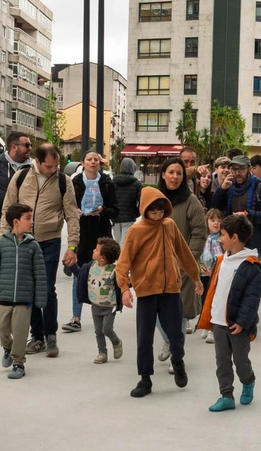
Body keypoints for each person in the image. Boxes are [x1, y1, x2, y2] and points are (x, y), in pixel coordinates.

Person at [118, 188, 202, 398]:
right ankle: (145, 379)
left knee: (176, 332)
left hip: (171, 290)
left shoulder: (169, 225)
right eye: (153, 212)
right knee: (144, 338)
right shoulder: (136, 231)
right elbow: (123, 262)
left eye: (160, 212)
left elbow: (184, 253)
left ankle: (178, 360)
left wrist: (196, 277)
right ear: (144, 210)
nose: (157, 216)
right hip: (147, 291)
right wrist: (124, 288)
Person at [4, 143, 81, 360]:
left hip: (50, 241)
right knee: (29, 290)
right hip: (24, 241)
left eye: (57, 165)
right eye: (49, 166)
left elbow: (72, 215)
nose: (54, 170)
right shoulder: (20, 178)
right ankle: (36, 336)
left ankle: (51, 334)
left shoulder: (63, 181)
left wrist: (73, 246)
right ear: (37, 162)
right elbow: (8, 208)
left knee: (47, 288)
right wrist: (6, 237)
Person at [198, 214, 261, 413]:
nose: (220, 238)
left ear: (234, 237)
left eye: (223, 235)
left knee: (241, 361)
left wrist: (243, 322)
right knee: (222, 361)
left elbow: (252, 299)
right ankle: (226, 395)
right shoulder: (221, 260)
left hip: (237, 325)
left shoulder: (251, 266)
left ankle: (248, 381)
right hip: (218, 321)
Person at [0, 203, 49, 379]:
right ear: (15, 221)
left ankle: (18, 363)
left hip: (24, 299)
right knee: (1, 329)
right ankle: (7, 348)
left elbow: (40, 274)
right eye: (28, 218)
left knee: (20, 332)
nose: (31, 222)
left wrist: (41, 299)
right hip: (4, 298)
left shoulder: (33, 246)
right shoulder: (1, 244)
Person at [63, 151, 118, 335]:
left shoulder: (107, 183)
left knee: (105, 274)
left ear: (100, 163)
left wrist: (103, 210)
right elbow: (66, 205)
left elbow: (115, 210)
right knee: (78, 272)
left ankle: (105, 313)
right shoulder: (75, 182)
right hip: (81, 231)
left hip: (101, 232)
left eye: (96, 159)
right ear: (83, 163)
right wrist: (74, 212)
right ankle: (76, 317)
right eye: (89, 159)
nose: (93, 162)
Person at [157, 158, 209, 340]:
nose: (175, 177)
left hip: (181, 266)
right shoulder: (155, 200)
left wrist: (188, 258)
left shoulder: (190, 201)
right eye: (171, 172)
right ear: (163, 175)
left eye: (179, 173)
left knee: (178, 311)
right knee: (156, 310)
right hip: (156, 265)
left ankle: (175, 352)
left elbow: (200, 232)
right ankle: (168, 342)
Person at [217, 152, 261, 257]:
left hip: (255, 245)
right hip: (233, 243)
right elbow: (216, 209)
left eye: (241, 169)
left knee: (252, 273)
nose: (237, 173)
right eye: (234, 169)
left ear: (249, 169)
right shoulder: (229, 185)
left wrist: (247, 215)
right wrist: (221, 190)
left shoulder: (260, 187)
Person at [87, 236, 124, 364]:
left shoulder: (114, 271)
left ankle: (116, 342)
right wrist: (72, 267)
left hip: (110, 306)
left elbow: (124, 282)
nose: (93, 250)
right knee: (98, 331)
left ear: (103, 257)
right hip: (95, 305)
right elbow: (80, 275)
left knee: (106, 329)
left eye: (96, 250)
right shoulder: (91, 266)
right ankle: (102, 352)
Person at [112, 156, 143, 242]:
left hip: (115, 218)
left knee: (117, 242)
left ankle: (117, 256)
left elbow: (109, 198)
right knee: (125, 243)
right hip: (129, 217)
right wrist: (136, 213)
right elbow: (142, 201)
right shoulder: (137, 184)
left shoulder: (113, 182)